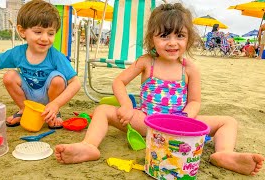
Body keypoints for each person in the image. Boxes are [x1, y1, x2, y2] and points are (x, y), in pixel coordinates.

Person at [54, 3, 264, 176]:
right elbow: (118, 82)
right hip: (148, 123)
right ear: (152, 38)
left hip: (181, 128)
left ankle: (224, 154)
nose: (172, 43)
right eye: (164, 36)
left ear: (188, 38)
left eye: (179, 36)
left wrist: (185, 118)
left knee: (228, 121)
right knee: (102, 110)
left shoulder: (189, 68)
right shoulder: (147, 62)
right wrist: (127, 105)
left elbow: (195, 101)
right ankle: (89, 145)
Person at [0, 0, 81, 128]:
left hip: (50, 98)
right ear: (22, 31)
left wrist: (56, 104)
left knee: (58, 79)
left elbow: (76, 83)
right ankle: (24, 110)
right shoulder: (18, 53)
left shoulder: (55, 56)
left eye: (50, 33)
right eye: (38, 32)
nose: (45, 38)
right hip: (27, 96)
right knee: (9, 76)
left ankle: (53, 113)